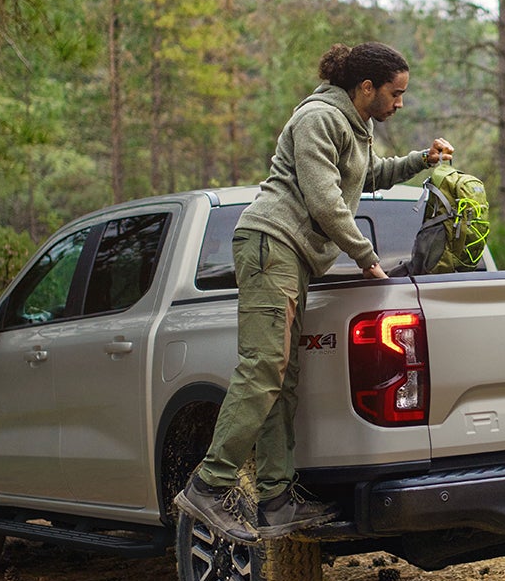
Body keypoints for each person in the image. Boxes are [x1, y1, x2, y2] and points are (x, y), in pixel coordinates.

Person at [175, 42, 453, 541]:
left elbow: (365, 178)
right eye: (396, 93)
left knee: (283, 377)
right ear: (366, 87)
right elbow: (326, 201)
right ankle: (210, 486)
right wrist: (368, 259)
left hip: (295, 257)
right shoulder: (318, 119)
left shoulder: (354, 125)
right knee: (262, 368)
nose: (400, 103)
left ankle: (276, 500)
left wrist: (420, 160)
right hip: (270, 244)